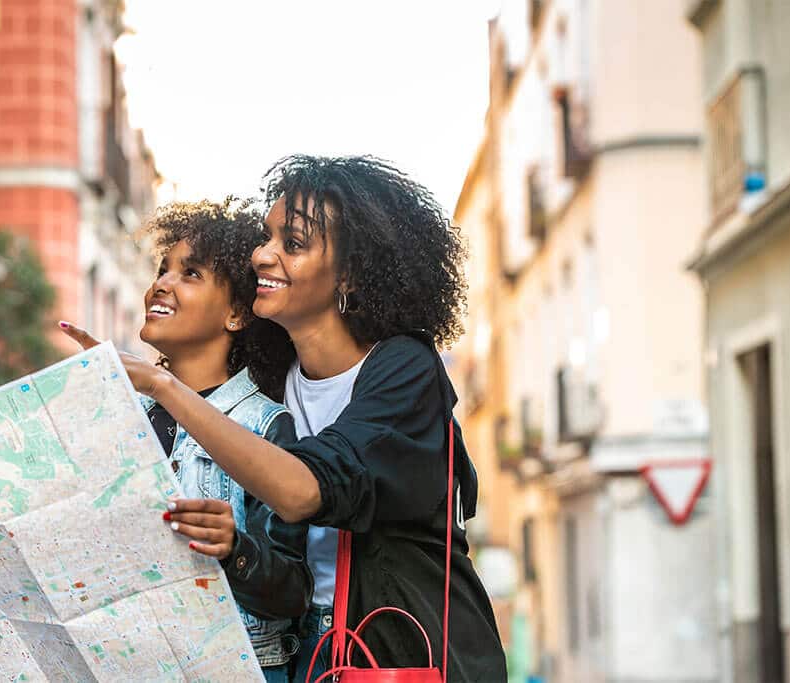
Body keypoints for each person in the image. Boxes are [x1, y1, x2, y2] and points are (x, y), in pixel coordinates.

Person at [61, 156, 508, 682]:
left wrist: (162, 384)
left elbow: (304, 491)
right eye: (267, 237)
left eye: (291, 244)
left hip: (395, 648)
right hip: (300, 650)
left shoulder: (406, 369)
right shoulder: (272, 382)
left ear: (351, 273)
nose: (262, 256)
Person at [0, 198, 312, 683]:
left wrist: (234, 549)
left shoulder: (266, 427)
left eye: (190, 273)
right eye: (162, 269)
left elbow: (295, 591)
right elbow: (38, 541)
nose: (161, 283)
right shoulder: (111, 412)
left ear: (238, 315)